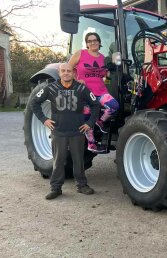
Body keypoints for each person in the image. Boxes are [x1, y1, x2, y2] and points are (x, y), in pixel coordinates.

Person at [31, 63, 101, 200]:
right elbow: (34, 102)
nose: (66, 73)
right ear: (59, 72)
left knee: (78, 160)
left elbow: (95, 104)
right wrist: (44, 119)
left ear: (73, 72)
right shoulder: (50, 88)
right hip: (59, 132)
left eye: (69, 71)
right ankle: (56, 188)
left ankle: (82, 185)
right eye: (63, 71)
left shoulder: (81, 88)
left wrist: (90, 123)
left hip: (77, 132)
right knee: (58, 161)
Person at [68, 32, 119, 153]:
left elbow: (105, 77)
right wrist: (76, 80)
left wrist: (108, 75)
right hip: (84, 92)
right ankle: (91, 144)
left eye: (95, 40)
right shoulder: (80, 53)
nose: (93, 42)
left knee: (114, 105)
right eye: (90, 41)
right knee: (87, 119)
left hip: (100, 91)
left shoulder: (103, 58)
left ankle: (99, 120)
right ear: (87, 44)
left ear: (99, 42)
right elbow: (67, 68)